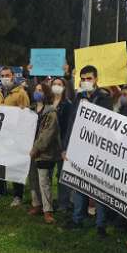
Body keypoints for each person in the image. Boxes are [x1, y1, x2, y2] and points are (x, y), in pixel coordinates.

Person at [61, 65, 112, 236]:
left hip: (98, 150)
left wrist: (90, 107)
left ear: (96, 79)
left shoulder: (104, 98)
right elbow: (71, 123)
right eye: (82, 79)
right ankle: (77, 219)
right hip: (79, 148)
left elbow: (108, 124)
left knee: (98, 187)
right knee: (79, 184)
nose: (85, 82)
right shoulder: (79, 97)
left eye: (89, 79)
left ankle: (100, 224)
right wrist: (65, 147)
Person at [0, 64, 30, 206]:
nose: (5, 78)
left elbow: (27, 115)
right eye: (3, 76)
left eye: (7, 75)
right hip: (1, 134)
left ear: (13, 77)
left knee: (15, 164)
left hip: (15, 136)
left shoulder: (21, 93)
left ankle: (18, 194)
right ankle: (0, 190)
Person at [28, 82, 62, 224]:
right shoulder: (30, 110)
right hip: (31, 151)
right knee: (33, 180)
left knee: (44, 182)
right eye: (36, 90)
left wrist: (36, 148)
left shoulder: (51, 112)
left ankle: (47, 210)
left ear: (46, 93)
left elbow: (48, 134)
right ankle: (36, 205)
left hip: (44, 153)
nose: (37, 92)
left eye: (40, 90)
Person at [52, 77, 74, 213]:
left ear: (64, 87)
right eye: (54, 84)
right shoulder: (47, 102)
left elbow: (68, 127)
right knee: (47, 174)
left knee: (61, 174)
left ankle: (63, 203)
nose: (56, 86)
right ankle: (48, 201)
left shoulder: (67, 104)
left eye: (59, 84)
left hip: (61, 144)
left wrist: (65, 147)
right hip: (48, 144)